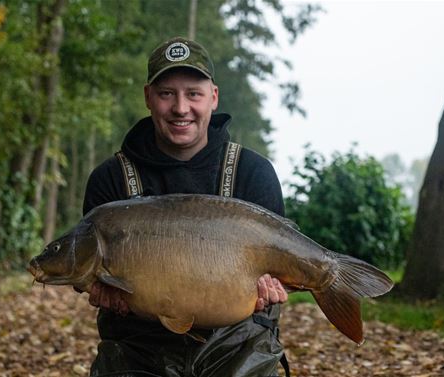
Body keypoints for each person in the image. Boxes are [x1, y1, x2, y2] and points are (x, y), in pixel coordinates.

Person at [82, 36, 289, 377]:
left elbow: (279, 274)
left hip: (237, 345)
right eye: (167, 94)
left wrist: (273, 290)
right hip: (138, 346)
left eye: (193, 93)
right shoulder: (111, 179)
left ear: (213, 97)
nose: (181, 108)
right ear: (149, 97)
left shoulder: (252, 173)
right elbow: (96, 276)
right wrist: (105, 293)